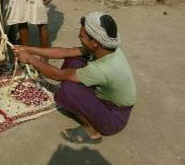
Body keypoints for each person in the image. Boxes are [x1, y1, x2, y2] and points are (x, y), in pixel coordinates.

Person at [12, 11, 136, 144]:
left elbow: (57, 75)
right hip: (111, 104)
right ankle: (80, 100)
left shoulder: (102, 68)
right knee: (74, 59)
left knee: (67, 91)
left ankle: (91, 131)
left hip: (113, 119)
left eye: (82, 36)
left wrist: (29, 59)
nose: (79, 36)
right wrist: (28, 49)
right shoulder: (105, 48)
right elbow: (65, 52)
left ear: (94, 42)